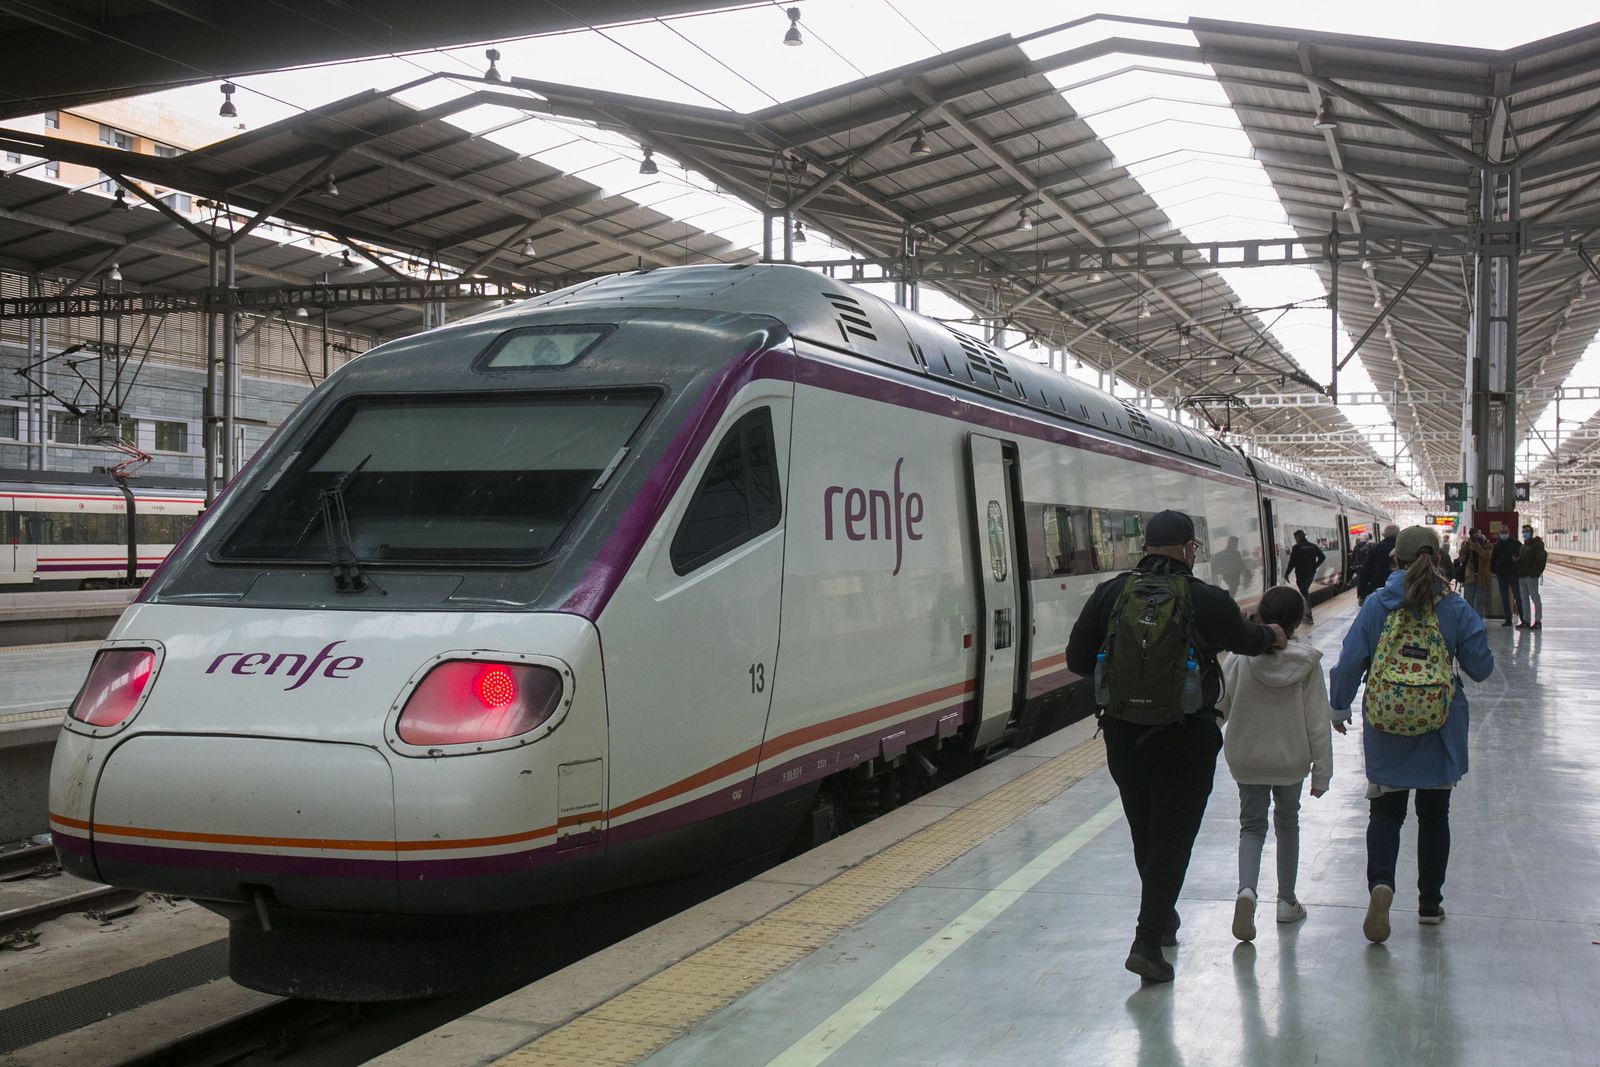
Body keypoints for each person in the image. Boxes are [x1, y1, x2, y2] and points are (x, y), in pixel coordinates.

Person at [1067, 509, 1287, 983]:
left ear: (1145, 546)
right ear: (1189, 549)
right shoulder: (1206, 598)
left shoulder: (1111, 594)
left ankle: (1162, 919)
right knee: (1173, 836)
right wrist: (1271, 634)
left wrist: (1130, 678)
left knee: (1145, 830)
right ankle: (1147, 940)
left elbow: (1077, 659)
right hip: (1185, 735)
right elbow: (1247, 641)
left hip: (1124, 734)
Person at [1329, 526, 1493, 942]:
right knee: (1435, 815)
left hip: (1386, 724)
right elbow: (1481, 667)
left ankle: (1381, 885)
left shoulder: (1377, 605)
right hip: (1439, 726)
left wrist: (1339, 705)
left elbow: (1349, 660)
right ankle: (1429, 905)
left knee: (1385, 813)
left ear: (1394, 560)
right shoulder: (1453, 605)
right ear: (1438, 560)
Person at [1219, 586, 1333, 941]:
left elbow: (1219, 706)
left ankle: (1247, 891)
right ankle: (1286, 902)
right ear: (1299, 619)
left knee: (1251, 826)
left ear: (1260, 615)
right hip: (1290, 760)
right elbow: (1317, 720)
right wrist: (1322, 773)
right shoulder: (1307, 661)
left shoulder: (1239, 657)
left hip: (1247, 757)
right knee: (1287, 824)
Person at [1285, 530, 1326, 624]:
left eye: (1295, 538)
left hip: (1301, 574)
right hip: (1310, 573)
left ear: (1299, 537)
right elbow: (1322, 557)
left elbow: (1292, 562)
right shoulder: (1312, 546)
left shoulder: (1296, 548)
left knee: (1304, 593)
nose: (1295, 540)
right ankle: (1307, 615)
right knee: (1305, 592)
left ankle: (1308, 616)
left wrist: (1287, 573)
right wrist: (1315, 566)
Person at [1357, 524, 1399, 604]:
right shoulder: (1400, 547)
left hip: (1377, 588)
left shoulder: (1376, 548)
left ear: (1384, 535)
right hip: (1397, 588)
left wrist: (1361, 591)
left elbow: (1366, 569)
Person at [1517, 524, 1547, 629]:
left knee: (1535, 598)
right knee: (1524, 599)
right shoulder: (1524, 545)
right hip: (1522, 576)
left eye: (1527, 531)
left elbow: (1539, 561)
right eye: (1523, 531)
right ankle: (1526, 620)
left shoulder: (1537, 545)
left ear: (1531, 532)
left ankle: (1538, 621)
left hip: (1531, 577)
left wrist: (1533, 574)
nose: (1525, 533)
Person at [1490, 528, 1522, 626]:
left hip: (1514, 574)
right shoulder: (1497, 545)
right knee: (1504, 598)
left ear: (1509, 533)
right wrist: (1495, 570)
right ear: (1499, 534)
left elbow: (1521, 557)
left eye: (1505, 533)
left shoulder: (1516, 544)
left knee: (1518, 597)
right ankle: (1508, 619)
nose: (1503, 534)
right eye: (1502, 533)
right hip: (1502, 575)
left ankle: (1524, 619)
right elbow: (1493, 559)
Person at [1461, 529, 1492, 615]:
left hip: (1482, 576)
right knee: (1468, 599)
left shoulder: (1486, 544)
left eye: (1478, 534)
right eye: (1474, 535)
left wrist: (1477, 546)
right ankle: (1470, 619)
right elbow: (1461, 553)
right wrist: (1467, 544)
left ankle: (1478, 620)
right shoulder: (1467, 544)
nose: (1476, 537)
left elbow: (1487, 556)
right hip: (1470, 575)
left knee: (1480, 600)